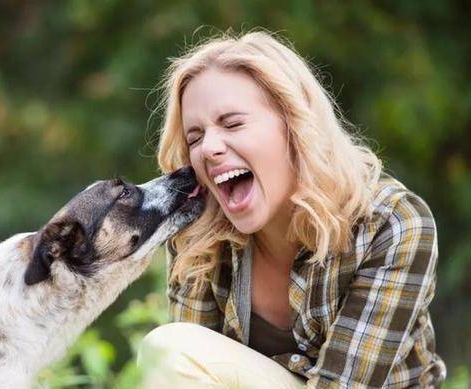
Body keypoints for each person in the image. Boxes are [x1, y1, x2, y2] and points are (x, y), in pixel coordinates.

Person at [136, 30, 446, 388]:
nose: (209, 148)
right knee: (170, 352)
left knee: (173, 349)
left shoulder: (393, 222)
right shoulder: (200, 233)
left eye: (232, 123)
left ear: (294, 124)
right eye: (195, 137)